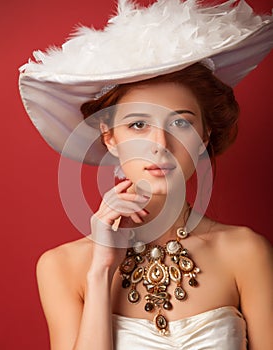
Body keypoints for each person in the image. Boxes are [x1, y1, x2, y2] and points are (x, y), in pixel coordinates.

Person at [19, 1, 273, 349]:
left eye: (181, 122)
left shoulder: (246, 252)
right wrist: (100, 272)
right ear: (110, 137)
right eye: (138, 124)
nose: (160, 144)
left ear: (205, 135)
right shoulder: (62, 266)